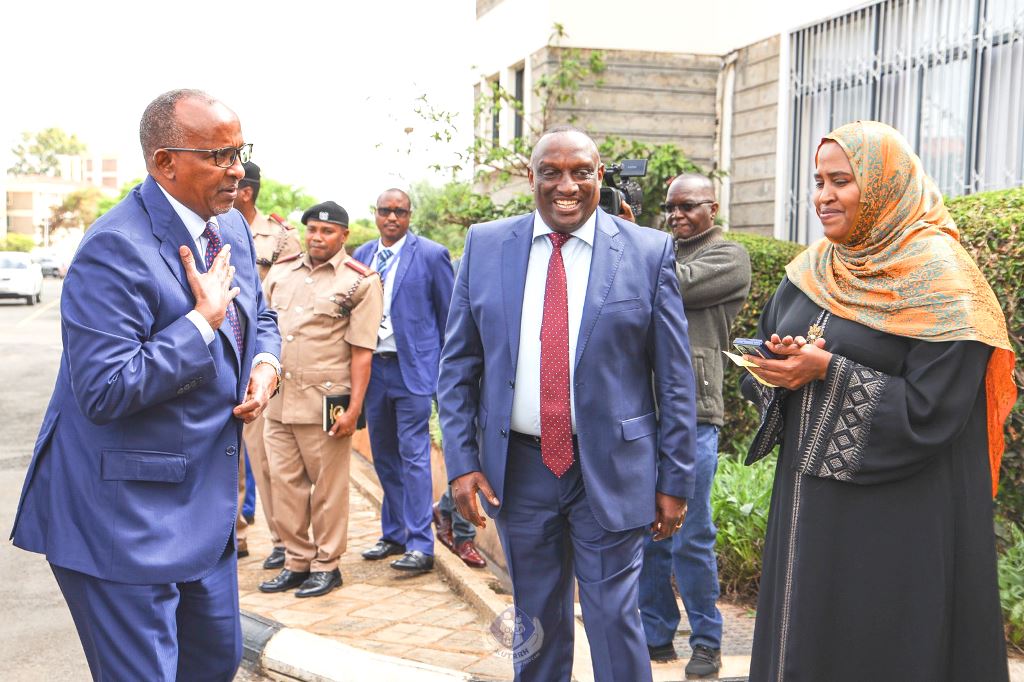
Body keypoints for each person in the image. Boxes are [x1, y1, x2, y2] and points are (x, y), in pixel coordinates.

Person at [10, 89, 282, 681]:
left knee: (213, 664)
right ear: (165, 163)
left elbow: (260, 315)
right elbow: (105, 388)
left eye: (240, 152)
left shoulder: (230, 226)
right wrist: (199, 323)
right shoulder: (114, 249)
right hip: (122, 521)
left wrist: (265, 366)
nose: (237, 170)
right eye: (220, 156)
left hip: (203, 512)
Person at [741, 120, 1016, 682]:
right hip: (808, 508)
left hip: (897, 524)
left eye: (840, 181)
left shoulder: (944, 282)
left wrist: (827, 370)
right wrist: (775, 366)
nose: (823, 196)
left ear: (886, 183)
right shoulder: (815, 268)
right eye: (818, 181)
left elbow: (933, 411)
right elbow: (773, 346)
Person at [437, 126, 698, 682]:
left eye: (581, 172)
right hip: (521, 471)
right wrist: (461, 462)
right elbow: (458, 367)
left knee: (612, 617)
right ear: (531, 178)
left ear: (599, 177)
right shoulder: (485, 247)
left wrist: (675, 480)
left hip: (612, 467)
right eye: (551, 172)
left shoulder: (648, 252)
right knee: (535, 618)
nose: (567, 185)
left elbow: (675, 380)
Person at [633, 175, 750, 677]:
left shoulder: (729, 256)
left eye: (687, 206)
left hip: (696, 414)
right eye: (669, 208)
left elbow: (671, 284)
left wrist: (630, 241)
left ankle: (707, 641)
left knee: (692, 533)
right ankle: (657, 635)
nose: (676, 214)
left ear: (713, 207)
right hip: (644, 410)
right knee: (647, 532)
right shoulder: (660, 250)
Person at [257, 201, 383, 598]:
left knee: (328, 491)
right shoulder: (280, 273)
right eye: (312, 229)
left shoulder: (359, 281)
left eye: (327, 231)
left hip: (326, 403)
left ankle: (327, 565)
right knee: (285, 486)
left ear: (344, 236)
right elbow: (262, 330)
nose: (317, 237)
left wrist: (355, 409)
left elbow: (362, 351)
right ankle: (296, 560)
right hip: (278, 402)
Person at [353, 189, 454, 573]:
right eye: (385, 211)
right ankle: (393, 533)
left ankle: (420, 545)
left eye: (400, 212)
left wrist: (445, 378)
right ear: (375, 214)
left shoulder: (431, 255)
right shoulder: (362, 255)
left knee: (413, 457)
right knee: (384, 457)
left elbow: (448, 320)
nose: (392, 217)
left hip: (413, 370)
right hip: (373, 370)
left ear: (411, 215)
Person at [235, 160, 302, 568]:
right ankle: (235, 532)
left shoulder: (279, 237)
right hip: (218, 352)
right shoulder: (206, 226)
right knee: (225, 453)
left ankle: (279, 540)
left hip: (261, 357)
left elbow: (286, 300)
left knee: (265, 458)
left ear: (247, 190)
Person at [433, 254, 487, 569]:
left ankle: (443, 507)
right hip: (457, 379)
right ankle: (464, 536)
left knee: (477, 459)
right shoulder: (460, 265)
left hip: (493, 382)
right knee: (467, 455)